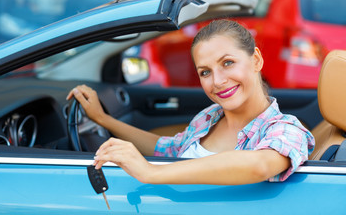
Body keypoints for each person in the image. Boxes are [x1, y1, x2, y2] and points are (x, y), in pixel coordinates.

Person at [67, 19, 315, 185]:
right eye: (205, 72)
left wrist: (150, 173)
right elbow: (167, 148)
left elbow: (259, 165)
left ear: (256, 60)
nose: (217, 81)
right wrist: (104, 120)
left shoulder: (286, 129)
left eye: (228, 63)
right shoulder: (209, 117)